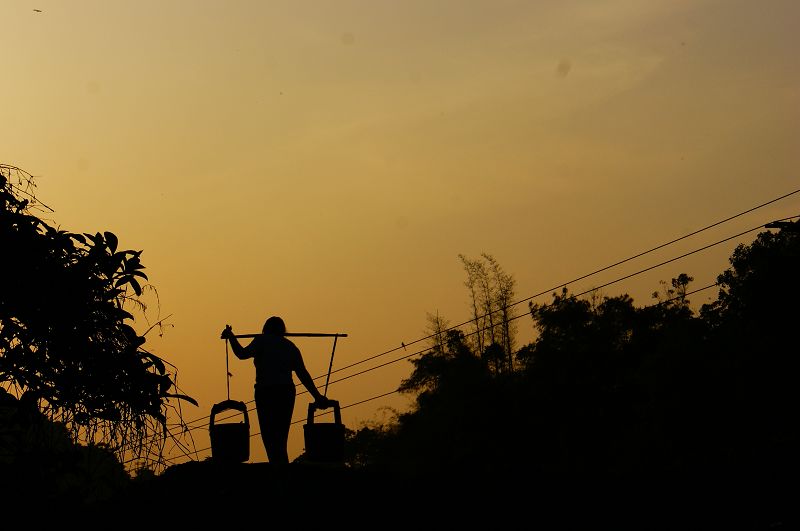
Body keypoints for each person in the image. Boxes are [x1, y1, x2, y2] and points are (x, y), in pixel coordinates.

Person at [220, 316, 334, 465]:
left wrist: (231, 337)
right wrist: (317, 396)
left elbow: (242, 354)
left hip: (265, 393)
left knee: (269, 436)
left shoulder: (261, 341)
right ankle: (281, 469)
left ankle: (279, 471)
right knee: (281, 437)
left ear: (265, 329)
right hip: (285, 393)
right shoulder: (290, 347)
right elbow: (303, 375)